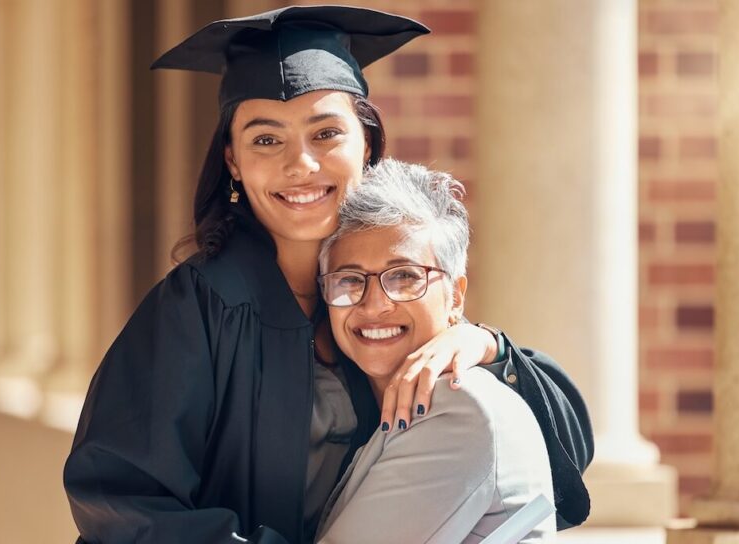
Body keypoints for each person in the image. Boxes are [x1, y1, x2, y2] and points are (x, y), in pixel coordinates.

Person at [63, 6, 591, 544]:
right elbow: (118, 497)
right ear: (233, 162)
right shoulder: (200, 306)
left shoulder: (382, 291)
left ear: (368, 145)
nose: (302, 166)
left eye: (326, 134)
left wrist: (485, 345)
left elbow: (559, 446)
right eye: (266, 140)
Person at [314, 159, 555, 543]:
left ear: (455, 295)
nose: (374, 305)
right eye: (349, 279)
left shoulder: (459, 407)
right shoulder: (354, 405)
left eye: (405, 276)